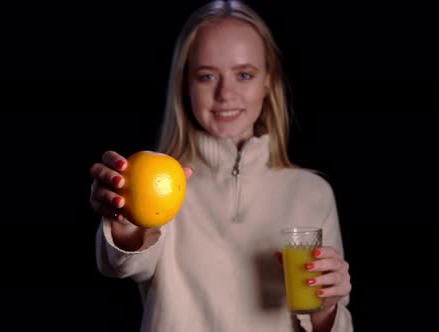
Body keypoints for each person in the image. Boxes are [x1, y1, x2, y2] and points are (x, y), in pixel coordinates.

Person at [89, 1, 353, 331]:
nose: (225, 93)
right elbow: (123, 264)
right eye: (207, 76)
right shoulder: (163, 184)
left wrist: (326, 308)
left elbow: (328, 321)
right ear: (186, 84)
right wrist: (124, 218)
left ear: (267, 81)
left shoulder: (312, 193)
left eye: (244, 74)